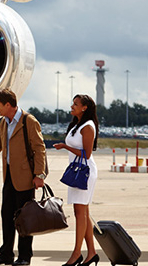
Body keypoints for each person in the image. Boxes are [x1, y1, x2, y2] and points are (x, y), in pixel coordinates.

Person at [0, 88, 47, 266]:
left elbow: (39, 148)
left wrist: (39, 174)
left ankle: (24, 257)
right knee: (6, 215)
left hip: (26, 178)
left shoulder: (28, 121)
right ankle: (6, 254)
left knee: (25, 219)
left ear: (8, 104)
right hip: (8, 178)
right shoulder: (4, 122)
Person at [54, 94, 100, 266]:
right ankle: (92, 253)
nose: (72, 106)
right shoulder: (77, 125)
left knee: (80, 214)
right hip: (76, 172)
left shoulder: (88, 126)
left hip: (85, 173)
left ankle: (76, 253)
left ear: (84, 108)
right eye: (72, 103)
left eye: (76, 104)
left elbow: (87, 154)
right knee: (82, 213)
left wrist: (65, 146)